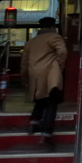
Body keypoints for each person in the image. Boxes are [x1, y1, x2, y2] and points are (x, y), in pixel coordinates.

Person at [21, 17, 68, 146]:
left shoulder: (31, 42)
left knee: (40, 100)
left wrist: (25, 78)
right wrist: (59, 66)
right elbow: (62, 52)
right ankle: (46, 133)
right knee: (51, 103)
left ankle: (34, 123)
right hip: (51, 74)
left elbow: (24, 63)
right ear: (53, 26)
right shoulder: (55, 37)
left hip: (35, 75)